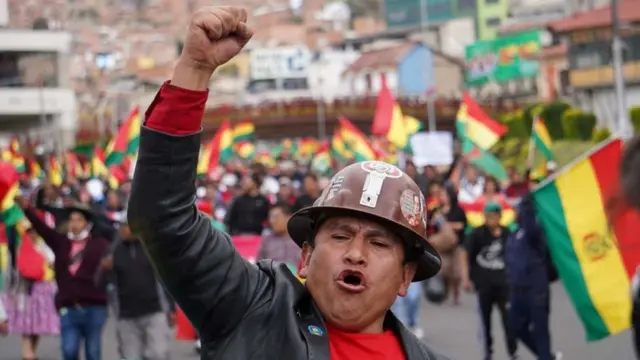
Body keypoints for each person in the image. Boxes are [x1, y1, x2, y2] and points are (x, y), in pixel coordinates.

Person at [127, 6, 454, 359]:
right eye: (341, 235)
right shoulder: (249, 309)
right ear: (306, 256)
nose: (356, 254)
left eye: (379, 244)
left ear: (406, 276)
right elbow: (163, 219)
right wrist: (194, 69)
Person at [18, 199, 109, 360]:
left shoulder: (100, 245)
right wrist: (27, 208)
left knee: (93, 353)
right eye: (72, 220)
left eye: (79, 220)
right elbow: (42, 228)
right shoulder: (61, 242)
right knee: (69, 350)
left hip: (95, 307)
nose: (74, 224)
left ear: (87, 224)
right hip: (69, 307)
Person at [97, 220, 174, 360]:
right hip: (126, 315)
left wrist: (171, 309)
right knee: (131, 356)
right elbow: (100, 284)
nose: (129, 230)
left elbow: (166, 279)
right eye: (126, 226)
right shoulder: (113, 250)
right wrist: (104, 270)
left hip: (155, 311)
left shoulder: (152, 248)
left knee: (158, 354)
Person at [506, 193, 561, 360]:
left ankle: (544, 356)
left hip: (536, 288)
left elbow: (531, 227)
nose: (515, 211)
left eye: (517, 208)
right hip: (518, 289)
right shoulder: (514, 233)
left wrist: (527, 207)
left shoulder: (534, 230)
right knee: (516, 327)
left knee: (540, 331)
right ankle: (546, 357)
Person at [460, 202, 517, 360]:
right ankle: (487, 353)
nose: (491, 219)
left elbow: (516, 256)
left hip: (505, 284)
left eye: (494, 216)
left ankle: (513, 352)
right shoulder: (477, 233)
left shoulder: (508, 233)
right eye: (488, 216)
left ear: (499, 216)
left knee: (509, 319)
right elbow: (465, 254)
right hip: (483, 284)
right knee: (485, 322)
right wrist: (465, 279)